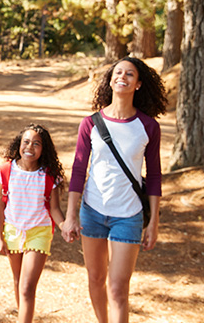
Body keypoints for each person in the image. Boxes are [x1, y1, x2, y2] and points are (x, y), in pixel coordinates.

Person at [61, 57, 168, 323]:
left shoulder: (148, 126)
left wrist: (153, 221)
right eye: (118, 72)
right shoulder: (91, 123)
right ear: (110, 80)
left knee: (118, 289)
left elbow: (154, 175)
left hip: (128, 215)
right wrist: (71, 215)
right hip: (92, 212)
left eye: (130, 74)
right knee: (96, 279)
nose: (123, 76)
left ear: (139, 84)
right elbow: (77, 171)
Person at [0, 124, 66, 323]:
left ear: (44, 149)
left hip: (39, 232)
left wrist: (65, 226)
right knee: (18, 282)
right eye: (26, 142)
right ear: (19, 144)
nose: (30, 147)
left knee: (27, 287)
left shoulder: (49, 176)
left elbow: (54, 209)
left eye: (36, 144)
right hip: (13, 231)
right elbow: (0, 208)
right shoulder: (6, 171)